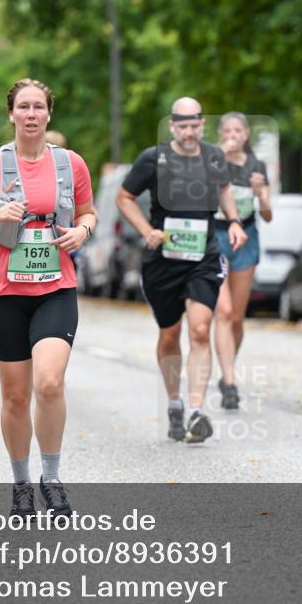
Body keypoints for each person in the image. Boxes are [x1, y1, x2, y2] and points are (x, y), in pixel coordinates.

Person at [0, 78, 95, 518]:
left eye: (39, 107)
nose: (31, 114)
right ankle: (21, 485)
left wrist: (82, 231)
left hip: (56, 288)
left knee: (49, 383)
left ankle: (51, 480)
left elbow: (89, 211)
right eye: (23, 107)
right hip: (4, 292)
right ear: (12, 114)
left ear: (49, 114)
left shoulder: (71, 164)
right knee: (15, 396)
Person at [116, 97, 246, 443]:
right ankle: (174, 402)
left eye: (194, 125)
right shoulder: (153, 158)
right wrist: (146, 231)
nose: (189, 132)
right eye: (182, 126)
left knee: (201, 330)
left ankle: (195, 410)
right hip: (164, 259)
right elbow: (124, 197)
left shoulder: (213, 157)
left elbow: (224, 189)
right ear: (173, 126)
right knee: (170, 334)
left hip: (203, 254)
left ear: (202, 125)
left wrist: (233, 221)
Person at [212, 112, 272, 410]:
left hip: (246, 238)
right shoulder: (211, 161)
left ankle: (227, 371)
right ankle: (230, 380)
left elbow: (268, 215)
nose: (233, 134)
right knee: (222, 312)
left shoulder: (256, 167)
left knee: (236, 316)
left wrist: (261, 194)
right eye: (228, 130)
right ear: (221, 134)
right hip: (217, 237)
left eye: (238, 130)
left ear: (246, 134)